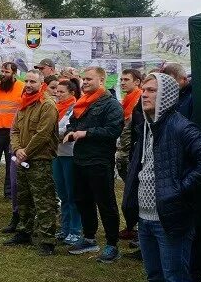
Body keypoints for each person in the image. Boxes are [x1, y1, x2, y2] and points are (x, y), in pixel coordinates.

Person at [123, 72, 201, 282]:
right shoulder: (146, 125)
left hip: (171, 218)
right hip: (146, 219)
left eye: (152, 90)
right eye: (144, 89)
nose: (144, 93)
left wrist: (180, 189)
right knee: (155, 279)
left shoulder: (180, 125)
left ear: (166, 95)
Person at [65, 66, 125, 262]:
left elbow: (113, 130)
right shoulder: (81, 103)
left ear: (102, 81)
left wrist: (87, 134)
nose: (85, 82)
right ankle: (89, 237)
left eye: (89, 79)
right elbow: (73, 123)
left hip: (99, 160)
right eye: (83, 79)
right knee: (82, 199)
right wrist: (70, 132)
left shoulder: (111, 104)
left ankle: (112, 245)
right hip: (80, 159)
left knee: (105, 202)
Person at [4, 70, 60, 256]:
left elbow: (43, 135)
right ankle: (24, 232)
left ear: (41, 84)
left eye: (32, 82)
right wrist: (18, 150)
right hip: (22, 159)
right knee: (24, 198)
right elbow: (14, 131)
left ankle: (47, 240)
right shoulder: (23, 104)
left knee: (44, 201)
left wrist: (25, 152)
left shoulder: (47, 105)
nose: (28, 84)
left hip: (40, 160)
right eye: (26, 81)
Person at [0, 61, 25, 233]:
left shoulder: (22, 87)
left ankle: (9, 193)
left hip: (13, 131)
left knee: (12, 163)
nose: (3, 74)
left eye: (6, 71)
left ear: (14, 73)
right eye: (2, 71)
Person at [52, 78, 83, 246]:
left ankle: (75, 230)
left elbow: (68, 130)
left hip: (70, 155)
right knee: (63, 194)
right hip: (56, 154)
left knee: (72, 195)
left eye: (62, 91)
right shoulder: (55, 108)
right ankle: (65, 229)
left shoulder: (75, 108)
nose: (58, 94)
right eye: (57, 90)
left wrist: (49, 134)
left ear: (72, 93)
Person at [117, 68, 144, 242]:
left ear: (137, 82)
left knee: (136, 192)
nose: (122, 82)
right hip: (124, 151)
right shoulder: (127, 99)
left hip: (132, 152)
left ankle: (137, 228)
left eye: (126, 79)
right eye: (121, 79)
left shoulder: (139, 99)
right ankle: (131, 226)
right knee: (129, 192)